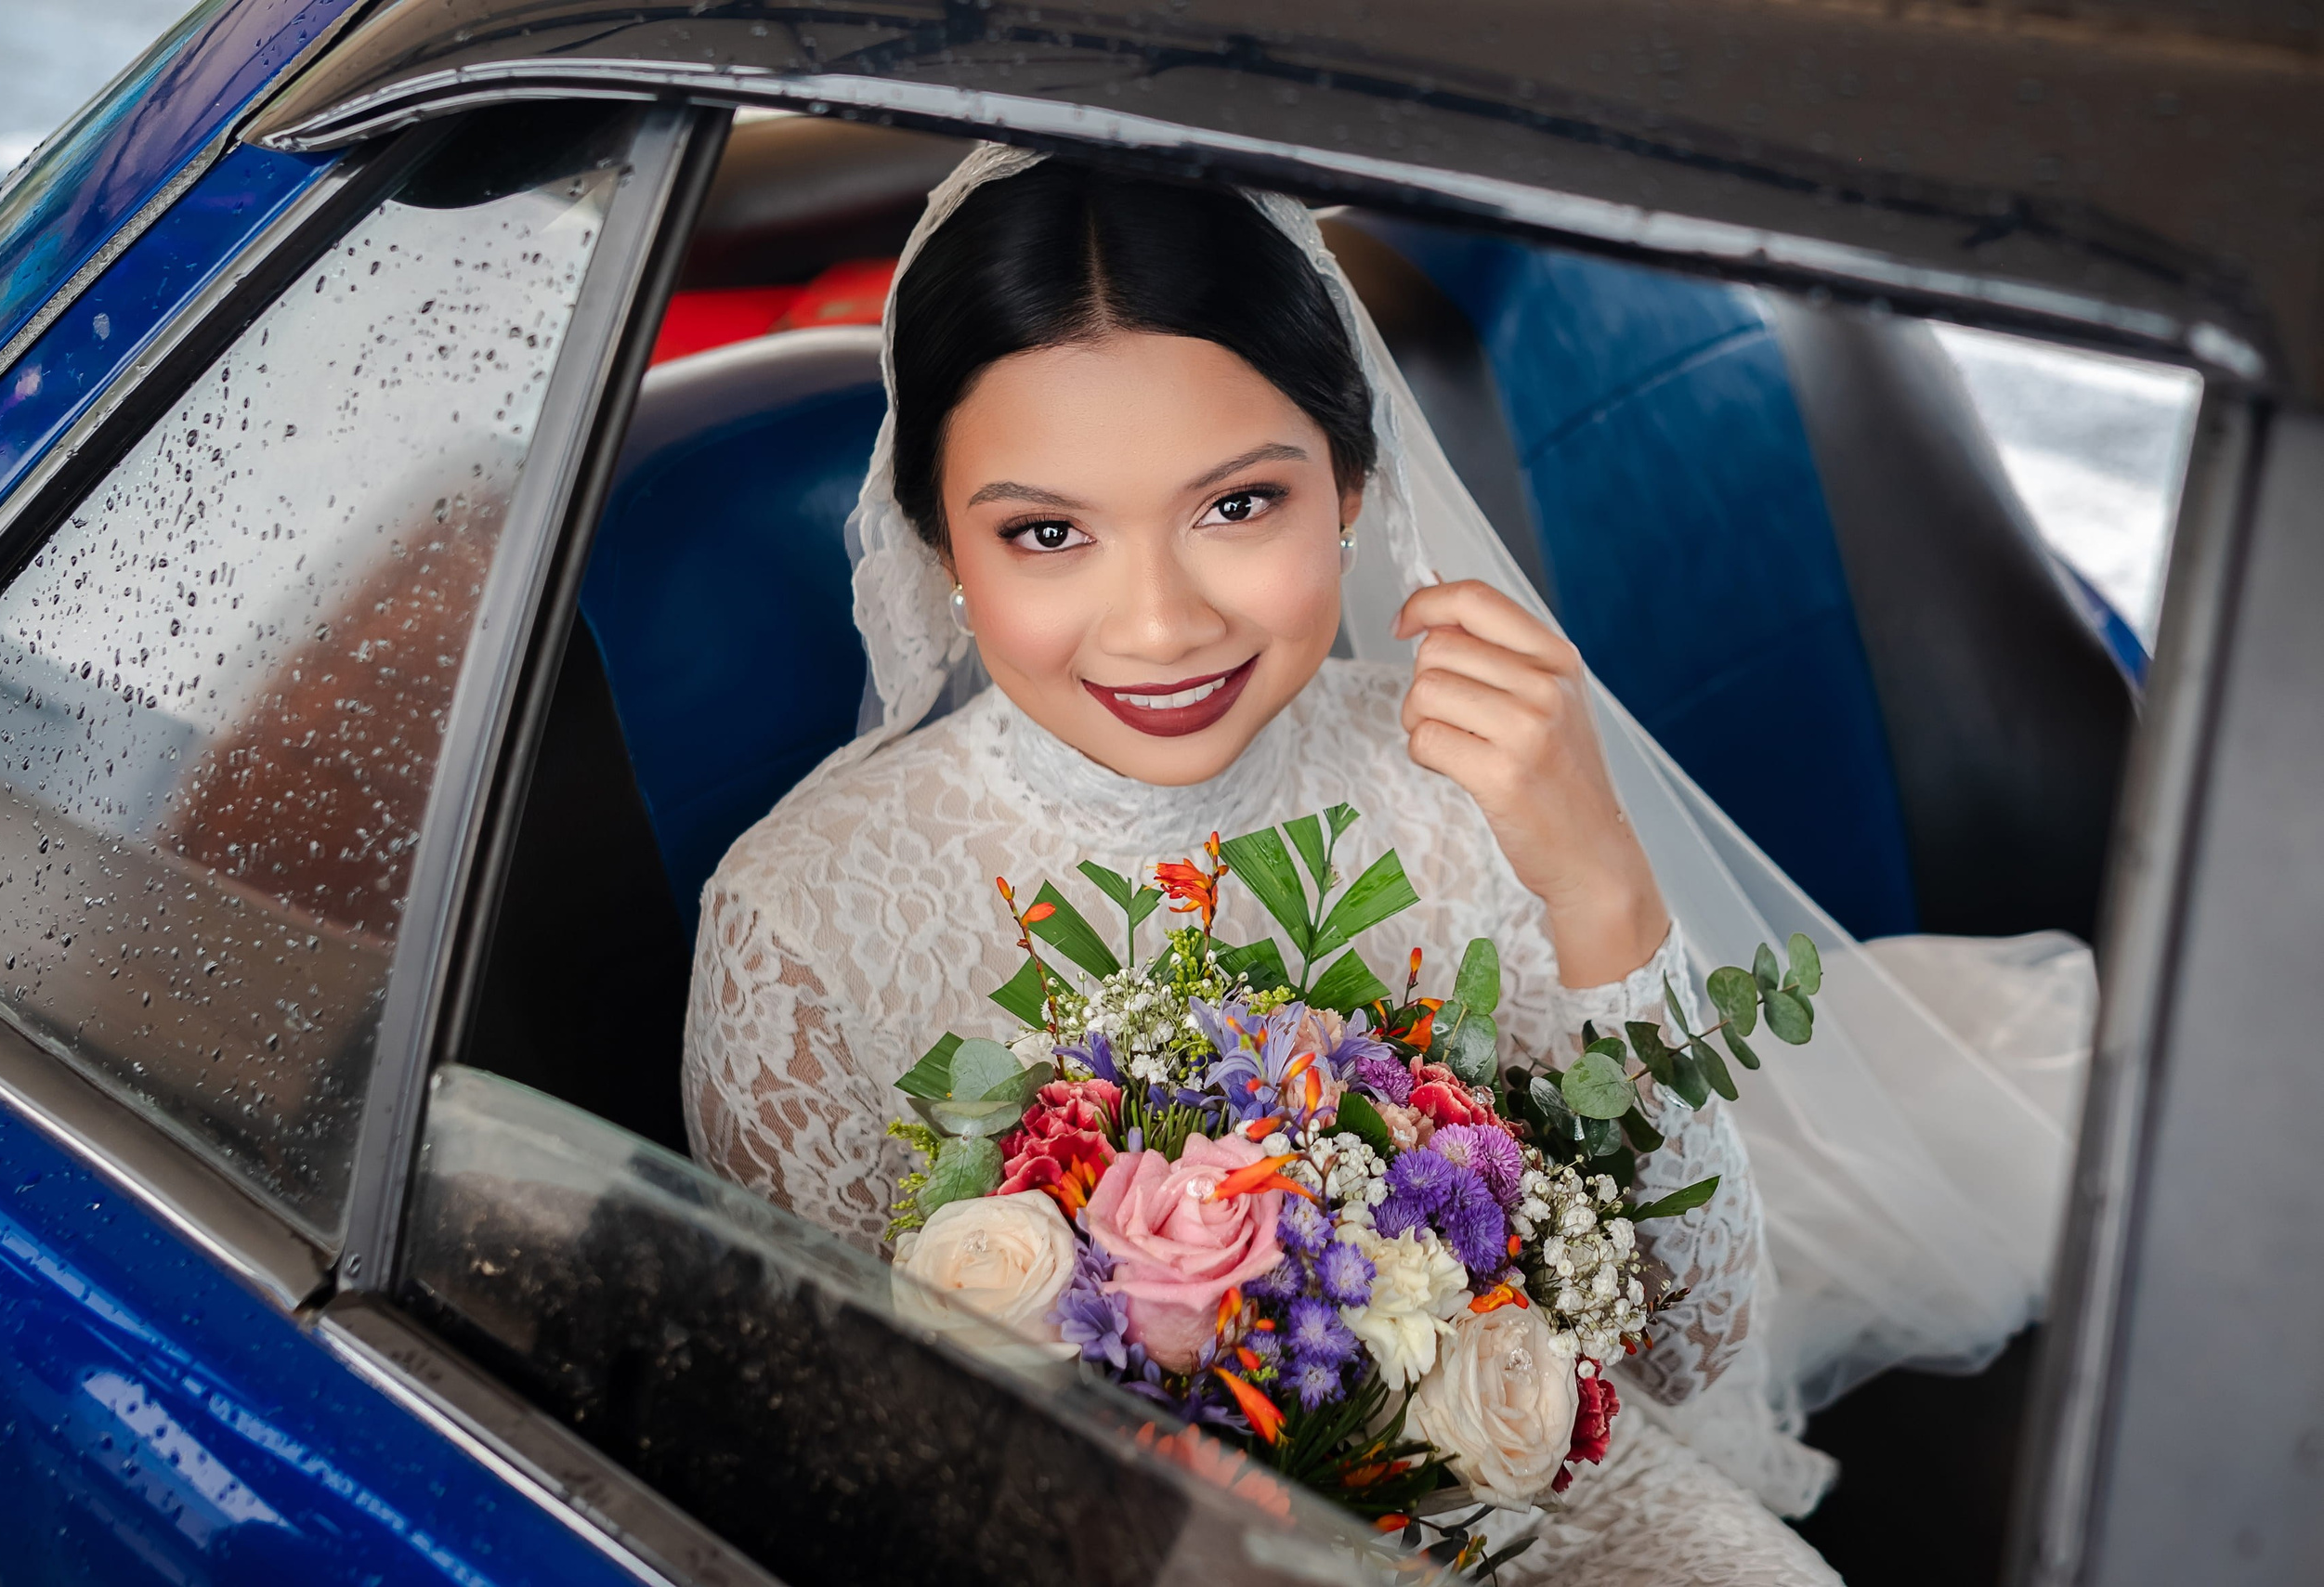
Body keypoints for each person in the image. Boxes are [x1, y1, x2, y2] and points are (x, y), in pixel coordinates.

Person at [680, 146, 1864, 1582]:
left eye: (1238, 506)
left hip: (1545, 1501)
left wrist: (1601, 884)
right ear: (939, 543)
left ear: (1351, 486)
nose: (1162, 624)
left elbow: (1688, 1347)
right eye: (1048, 533)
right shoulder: (803, 917)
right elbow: (859, 1464)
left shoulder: (1464, 778)